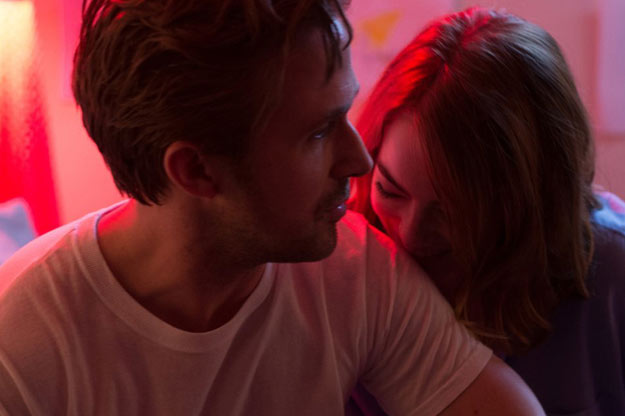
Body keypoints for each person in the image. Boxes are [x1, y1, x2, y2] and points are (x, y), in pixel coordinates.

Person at [0, 1, 544, 415]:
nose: (359, 160)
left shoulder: (357, 272)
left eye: (345, 113)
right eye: (318, 132)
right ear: (197, 170)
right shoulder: (23, 341)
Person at [350, 6, 625, 415]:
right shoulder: (342, 267)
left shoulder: (610, 276)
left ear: (534, 201)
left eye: (453, 211)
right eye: (390, 190)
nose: (410, 234)